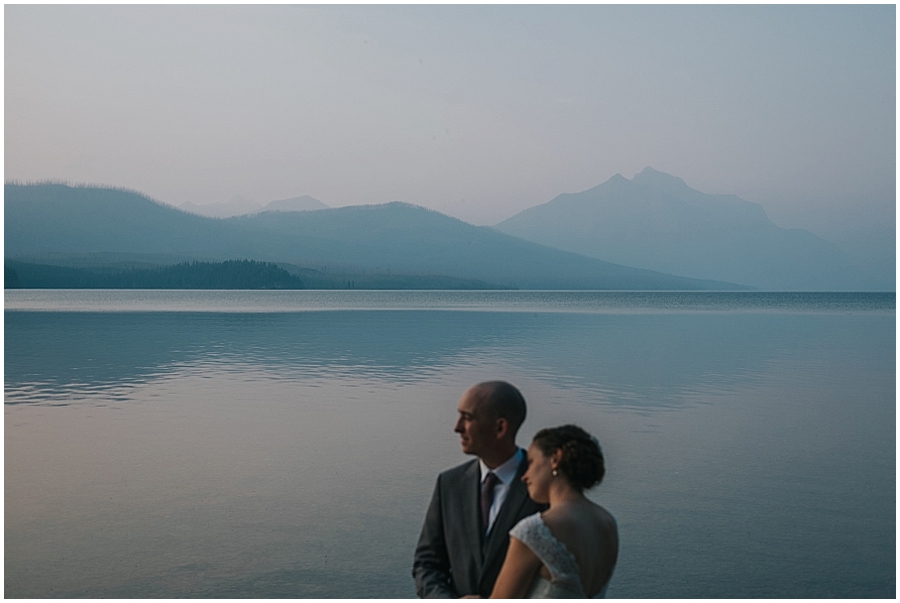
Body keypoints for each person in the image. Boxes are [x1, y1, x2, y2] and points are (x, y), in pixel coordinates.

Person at [413, 381, 547, 598]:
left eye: (468, 418)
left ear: (500, 427)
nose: (457, 427)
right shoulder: (449, 483)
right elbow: (426, 563)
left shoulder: (543, 488)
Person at [490, 424, 618, 598]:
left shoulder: (533, 531)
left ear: (555, 458)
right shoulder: (608, 524)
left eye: (531, 462)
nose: (524, 475)